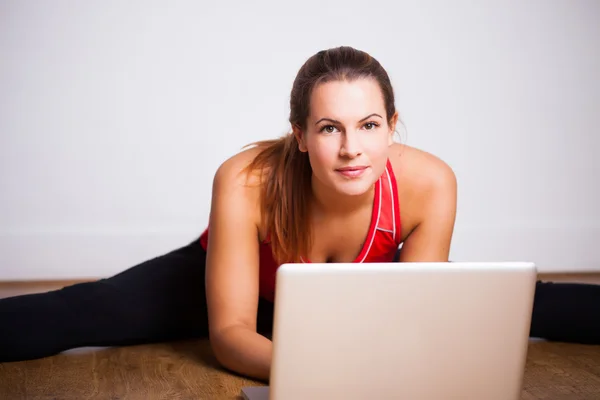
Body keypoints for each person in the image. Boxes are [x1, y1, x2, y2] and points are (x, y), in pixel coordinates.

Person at [0, 46, 598, 382]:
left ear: (392, 126)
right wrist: (325, 378)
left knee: (515, 302)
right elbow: (232, 336)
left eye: (368, 125)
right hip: (238, 289)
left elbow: (411, 323)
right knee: (85, 310)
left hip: (365, 299)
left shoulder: (430, 183)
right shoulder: (245, 180)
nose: (351, 148)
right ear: (300, 136)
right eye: (329, 128)